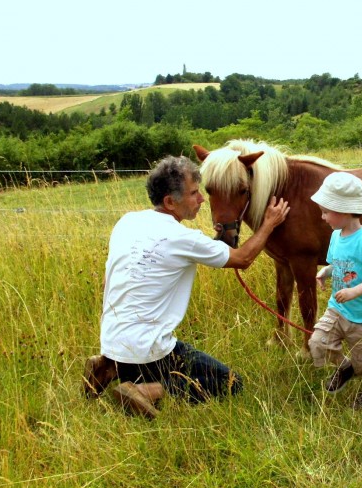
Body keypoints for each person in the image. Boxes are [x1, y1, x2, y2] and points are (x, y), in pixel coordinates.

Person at [82, 155, 290, 419]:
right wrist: (269, 223)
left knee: (157, 356)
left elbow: (107, 281)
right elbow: (243, 259)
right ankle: (144, 390)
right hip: (149, 351)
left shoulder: (127, 222)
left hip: (112, 341)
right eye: (194, 193)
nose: (202, 199)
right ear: (170, 202)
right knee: (229, 383)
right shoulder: (183, 238)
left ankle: (109, 367)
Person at [308, 172, 362, 409]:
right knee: (318, 342)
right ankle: (345, 367)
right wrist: (326, 272)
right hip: (338, 309)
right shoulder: (336, 236)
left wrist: (354, 292)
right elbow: (340, 264)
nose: (323, 217)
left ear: (344, 210)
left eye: (326, 211)